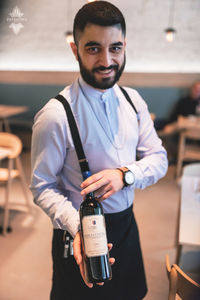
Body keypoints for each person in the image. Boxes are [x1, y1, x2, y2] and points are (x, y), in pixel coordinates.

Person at [30, 1, 168, 300]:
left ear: (124, 46)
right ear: (75, 49)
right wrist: (75, 225)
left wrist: (125, 174)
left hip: (127, 226)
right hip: (80, 233)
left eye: (115, 48)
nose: (107, 60)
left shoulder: (134, 101)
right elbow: (42, 187)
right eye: (93, 48)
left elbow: (159, 159)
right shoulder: (55, 115)